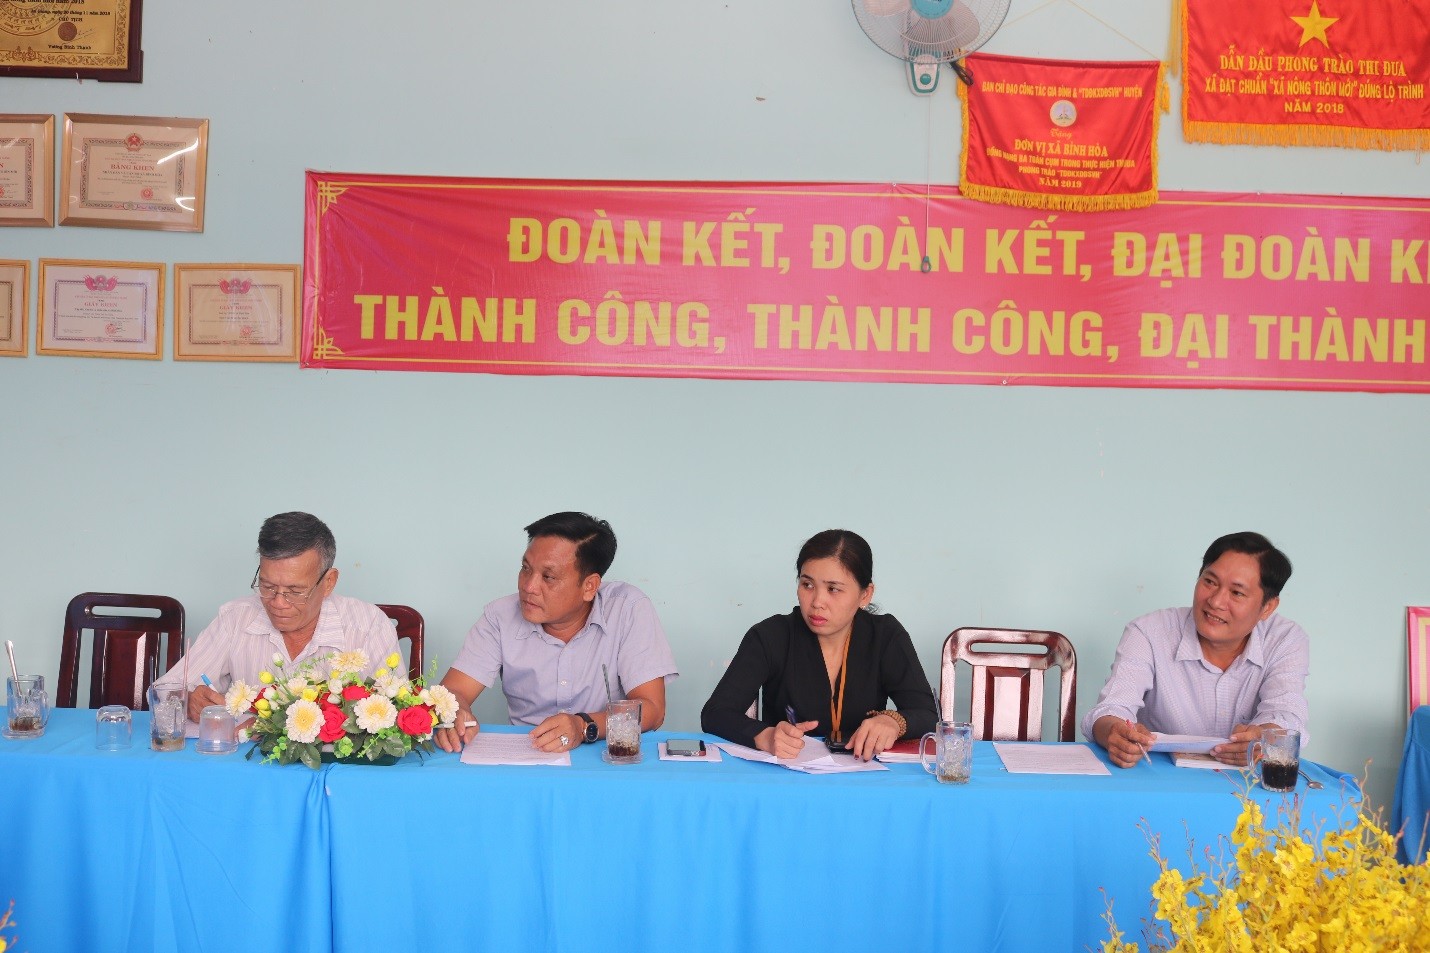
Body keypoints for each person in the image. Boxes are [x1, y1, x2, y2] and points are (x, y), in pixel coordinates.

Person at [434, 512, 678, 754]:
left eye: (548, 577)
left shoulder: (627, 609)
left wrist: (582, 725)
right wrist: (455, 711)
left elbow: (652, 709)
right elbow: (454, 692)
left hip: (603, 757)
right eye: (525, 568)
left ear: (589, 586)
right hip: (528, 753)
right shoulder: (499, 617)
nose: (529, 586)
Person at [700, 529, 937, 761]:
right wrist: (765, 736)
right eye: (808, 585)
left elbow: (928, 714)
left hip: (865, 775)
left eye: (833, 589)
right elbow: (715, 713)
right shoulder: (770, 636)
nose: (817, 602)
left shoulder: (885, 636)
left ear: (865, 595)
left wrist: (893, 722)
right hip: (787, 772)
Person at [1083, 531, 1309, 769]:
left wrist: (1263, 739)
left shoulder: (1284, 639)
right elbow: (1112, 708)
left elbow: (1286, 713)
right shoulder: (1148, 632)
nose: (1216, 601)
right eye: (1210, 582)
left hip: (1244, 783)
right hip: (1160, 778)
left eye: (1236, 593)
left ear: (1268, 607)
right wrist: (1114, 733)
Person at [154, 511, 400, 723]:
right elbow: (164, 690)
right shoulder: (234, 618)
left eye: (295, 591)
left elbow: (398, 712)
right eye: (268, 586)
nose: (278, 603)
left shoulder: (369, 626)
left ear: (328, 582)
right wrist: (186, 700)